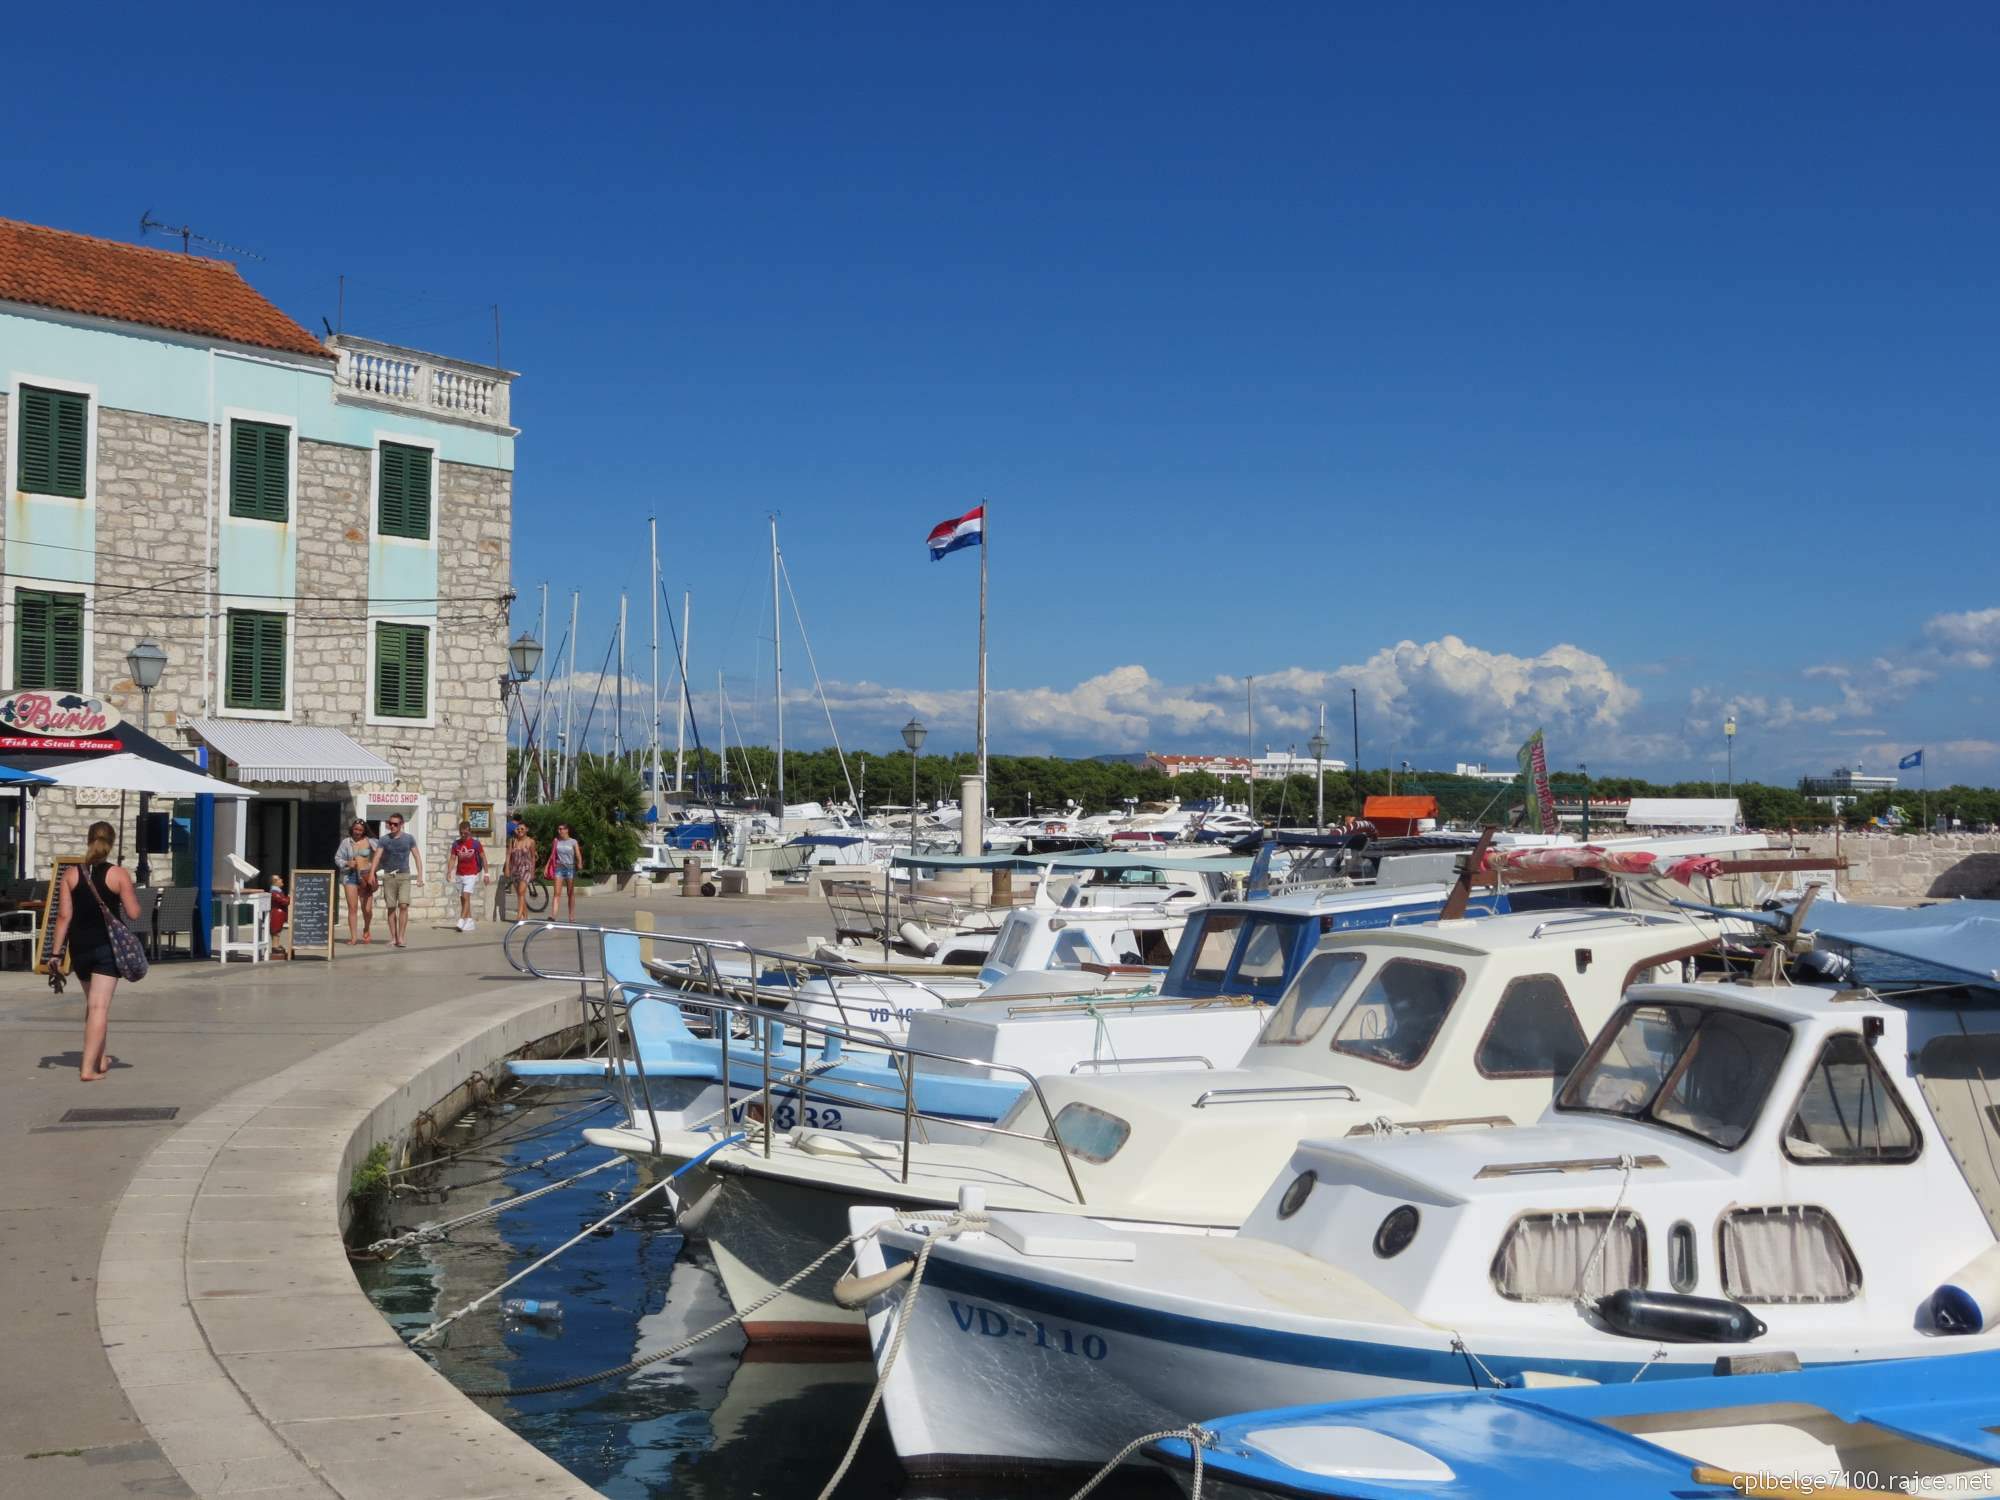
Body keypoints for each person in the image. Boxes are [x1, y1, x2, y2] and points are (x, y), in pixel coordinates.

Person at [48, 821, 142, 1082]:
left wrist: (55, 954)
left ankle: (99, 1058)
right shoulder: (118, 873)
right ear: (111, 844)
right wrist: (126, 889)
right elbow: (134, 914)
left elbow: (64, 916)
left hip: (80, 949)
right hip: (106, 948)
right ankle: (87, 1069)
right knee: (100, 1007)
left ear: (88, 840)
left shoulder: (70, 874)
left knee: (93, 1005)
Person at [368, 813, 423, 949]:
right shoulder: (384, 840)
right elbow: (377, 856)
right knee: (391, 908)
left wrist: (420, 876)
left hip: (404, 875)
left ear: (401, 824)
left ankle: (401, 937)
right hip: (388, 876)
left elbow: (417, 857)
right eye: (390, 823)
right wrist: (371, 874)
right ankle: (393, 938)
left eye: (395, 824)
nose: (392, 826)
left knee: (403, 905)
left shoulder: (409, 839)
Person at [335, 820, 378, 944]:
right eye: (356, 829)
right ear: (352, 829)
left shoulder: (371, 841)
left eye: (360, 830)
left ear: (364, 830)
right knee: (352, 908)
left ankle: (366, 928)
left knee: (367, 909)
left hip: (366, 876)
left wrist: (374, 869)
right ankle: (353, 937)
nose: (358, 832)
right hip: (350, 876)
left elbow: (381, 855)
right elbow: (337, 858)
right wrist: (347, 863)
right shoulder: (346, 842)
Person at [449, 821, 487, 932]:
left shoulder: (475, 844)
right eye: (461, 833)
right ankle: (469, 921)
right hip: (460, 874)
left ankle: (461, 920)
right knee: (463, 899)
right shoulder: (456, 844)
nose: (463, 835)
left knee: (466, 896)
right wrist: (449, 871)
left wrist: (487, 873)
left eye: (465, 833)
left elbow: (483, 858)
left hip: (471, 874)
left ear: (469, 831)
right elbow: (452, 858)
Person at [548, 822, 583, 920]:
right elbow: (552, 855)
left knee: (570, 893)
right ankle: (553, 915)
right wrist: (547, 867)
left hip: (570, 868)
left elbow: (578, 853)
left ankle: (571, 916)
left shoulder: (573, 842)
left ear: (567, 830)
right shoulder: (556, 841)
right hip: (559, 868)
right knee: (556, 893)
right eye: (558, 829)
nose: (559, 831)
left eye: (561, 829)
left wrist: (579, 862)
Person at [505, 822, 538, 921]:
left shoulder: (531, 842)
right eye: (518, 829)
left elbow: (532, 857)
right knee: (520, 894)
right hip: (515, 869)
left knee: (521, 891)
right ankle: (525, 915)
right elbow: (508, 855)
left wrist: (532, 871)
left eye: (522, 829)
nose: (520, 831)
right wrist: (507, 868)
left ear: (527, 830)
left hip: (526, 868)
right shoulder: (513, 841)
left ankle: (519, 916)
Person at [267, 875, 290, 959]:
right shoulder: (274, 892)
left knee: (278, 930)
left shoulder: (278, 891)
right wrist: (289, 897)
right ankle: (274, 947)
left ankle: (276, 946)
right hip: (276, 914)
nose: (282, 880)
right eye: (280, 879)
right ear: (275, 882)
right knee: (275, 931)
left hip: (279, 914)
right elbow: (284, 902)